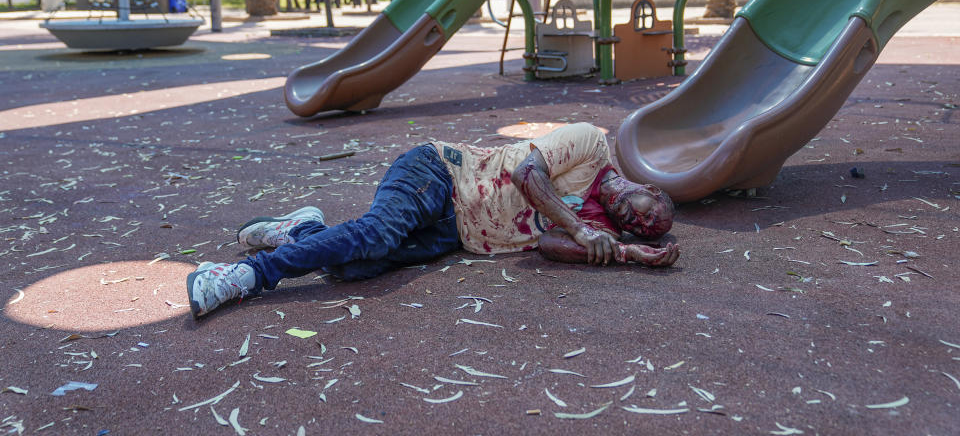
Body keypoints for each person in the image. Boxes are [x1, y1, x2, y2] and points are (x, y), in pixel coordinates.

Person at [186, 123, 679, 319]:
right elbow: (529, 172)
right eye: (645, 212)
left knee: (351, 269)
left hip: (454, 233)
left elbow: (550, 245)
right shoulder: (592, 143)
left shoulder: (605, 229)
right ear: (649, 188)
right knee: (376, 235)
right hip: (440, 174)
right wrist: (581, 228)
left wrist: (625, 252)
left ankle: (300, 230)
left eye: (640, 229)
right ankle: (246, 276)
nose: (631, 219)